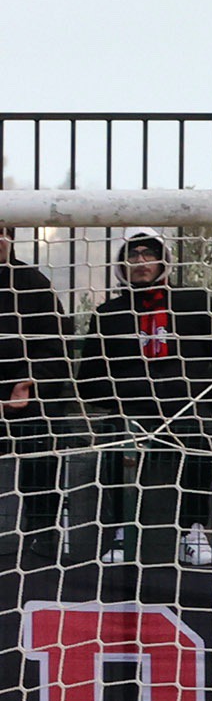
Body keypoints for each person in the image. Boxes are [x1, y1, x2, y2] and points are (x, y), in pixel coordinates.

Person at [84, 230, 212, 569]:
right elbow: (88, 379)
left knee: (197, 445)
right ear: (122, 265)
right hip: (131, 410)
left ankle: (193, 533)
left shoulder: (194, 302)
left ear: (164, 261)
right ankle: (122, 532)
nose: (140, 262)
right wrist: (127, 393)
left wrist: (202, 390)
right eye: (133, 256)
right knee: (116, 447)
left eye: (148, 254)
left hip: (184, 408)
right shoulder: (108, 314)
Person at [0, 217, 60, 570]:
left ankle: (42, 539)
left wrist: (28, 383)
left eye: (2, 233)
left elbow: (55, 347)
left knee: (41, 453)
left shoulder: (33, 283)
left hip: (26, 404)